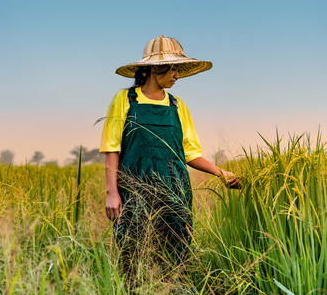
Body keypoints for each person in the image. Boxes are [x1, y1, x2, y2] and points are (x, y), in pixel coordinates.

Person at [99, 35, 241, 283]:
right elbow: (112, 149)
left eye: (178, 68)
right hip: (134, 188)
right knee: (133, 256)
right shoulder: (124, 100)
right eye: (173, 68)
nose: (177, 74)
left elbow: (190, 153)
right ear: (154, 68)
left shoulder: (178, 106)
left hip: (175, 190)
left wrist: (222, 174)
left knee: (177, 257)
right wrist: (112, 192)